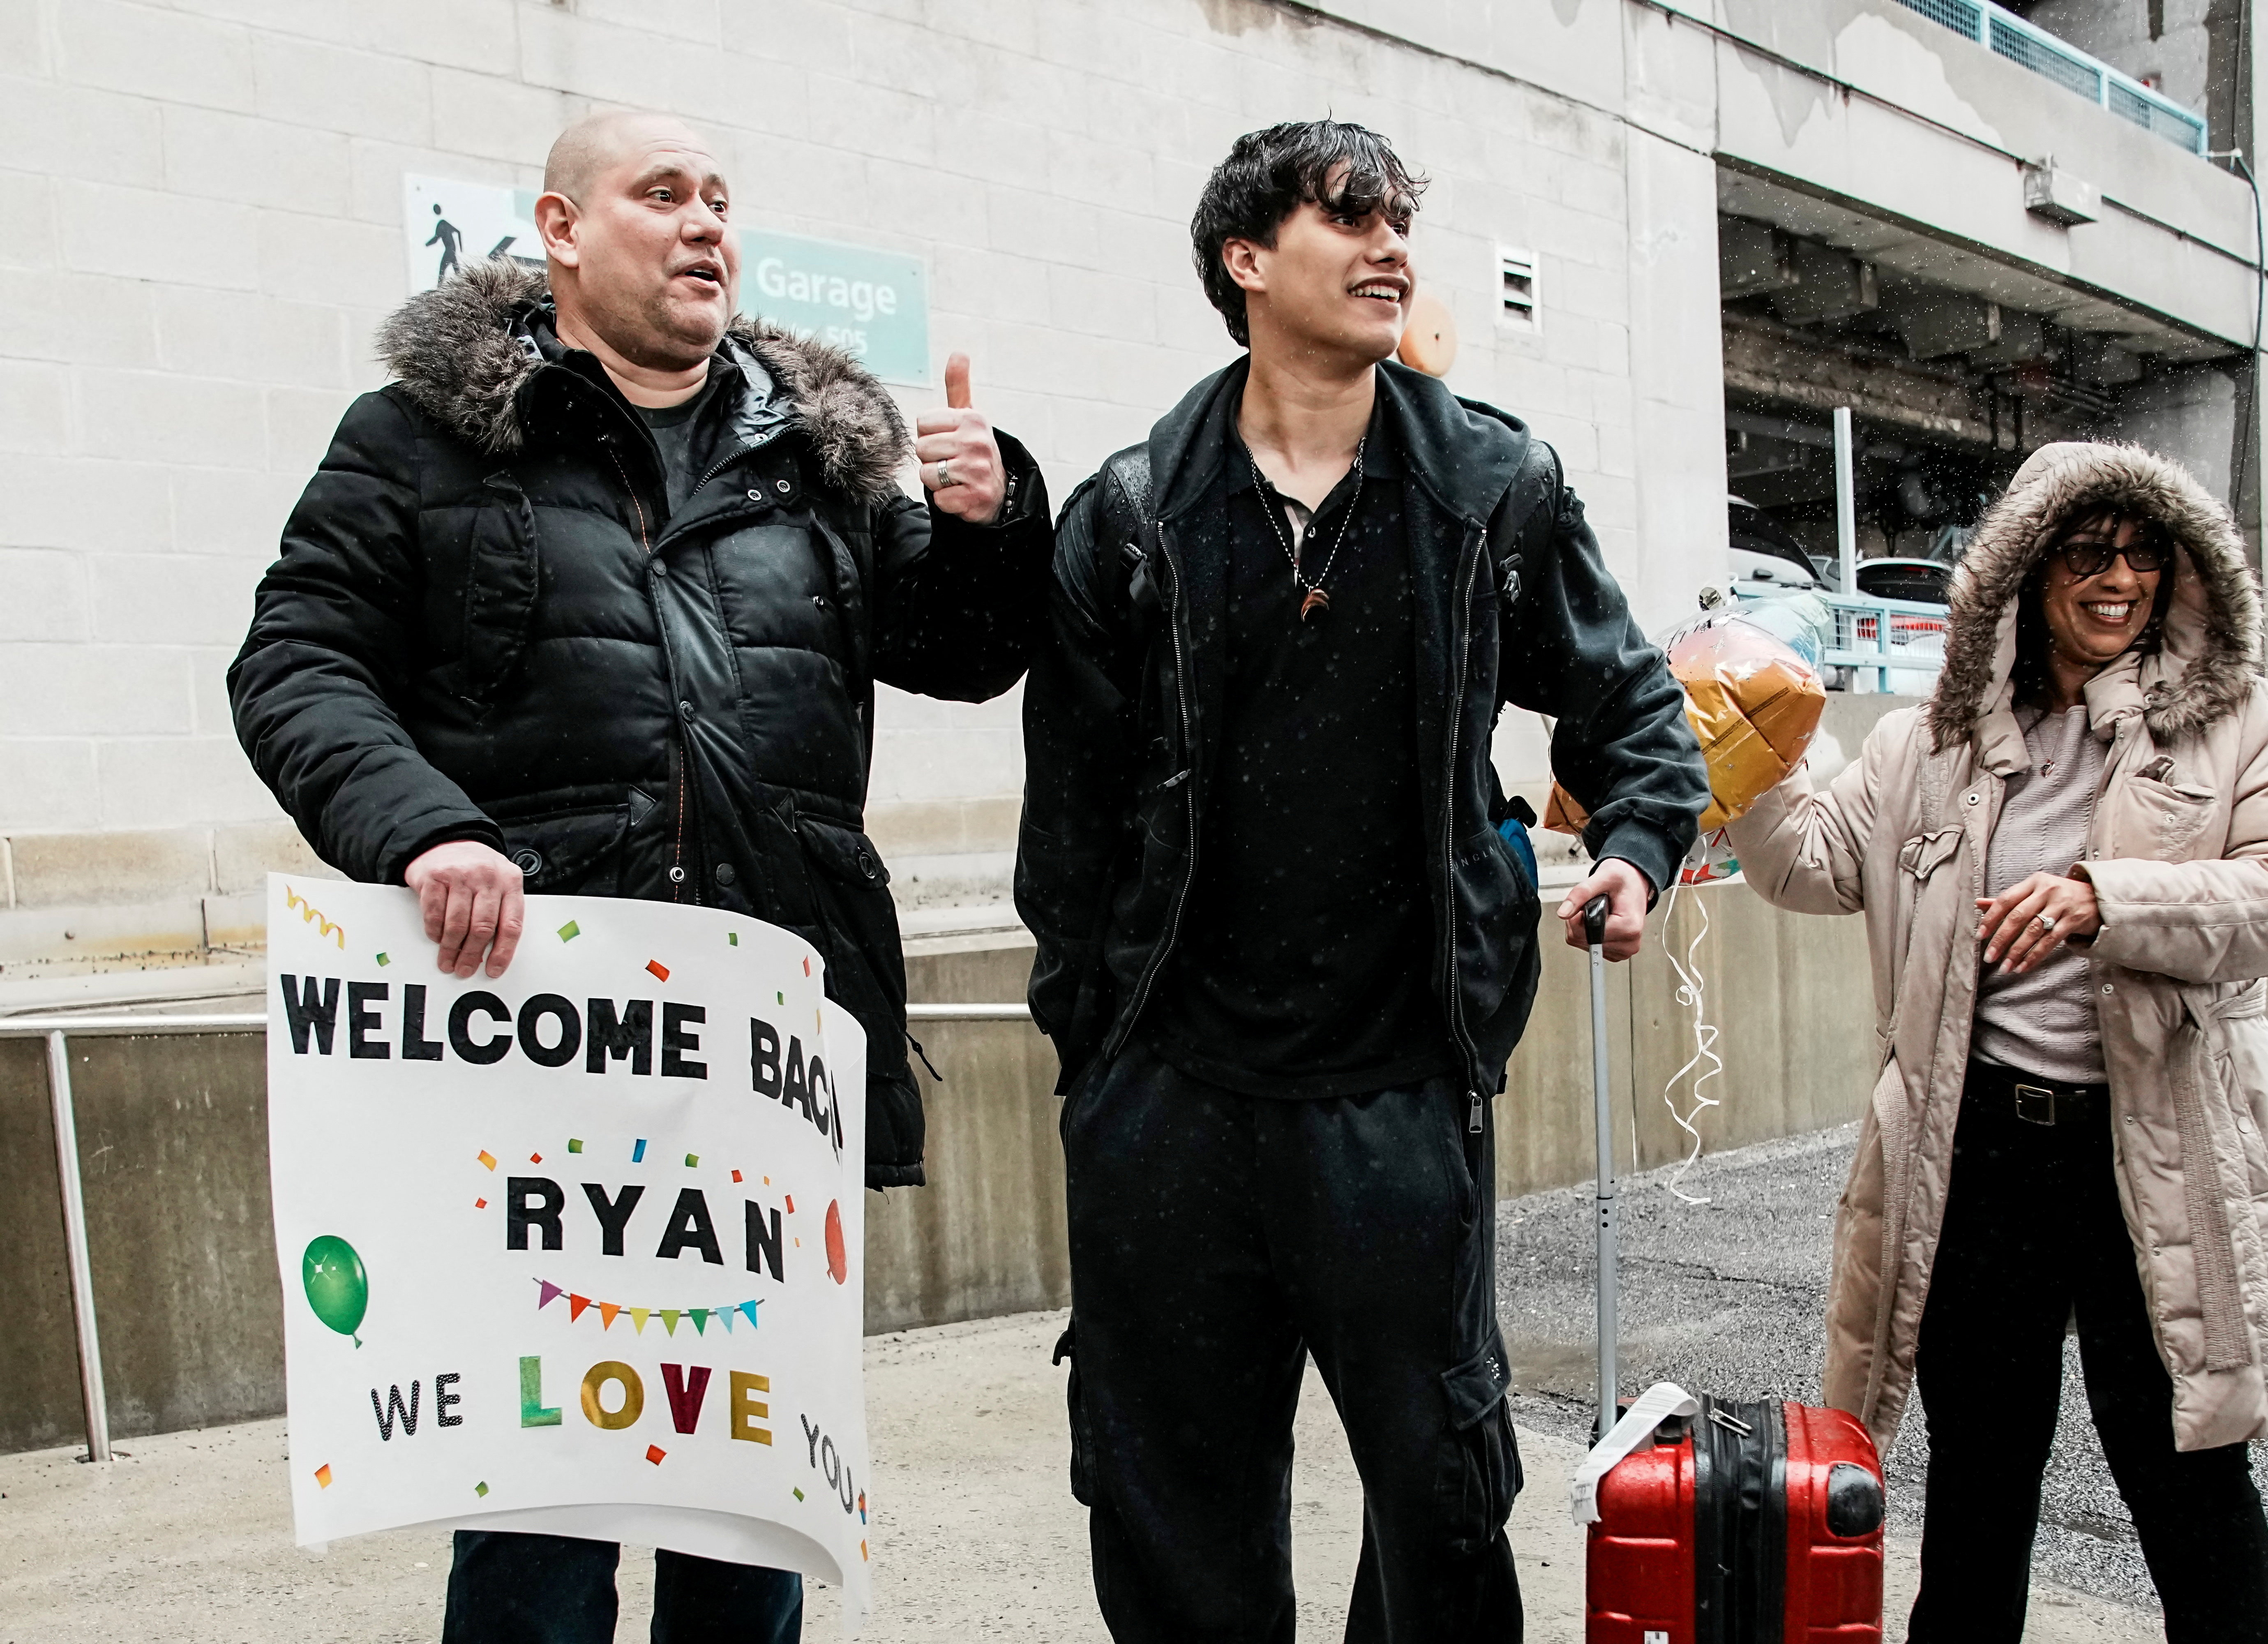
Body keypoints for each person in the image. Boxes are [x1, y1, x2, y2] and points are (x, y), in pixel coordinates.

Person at [229, 109, 1052, 1642]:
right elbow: (296, 661)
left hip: (752, 1068)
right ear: (559, 228)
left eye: (722, 200)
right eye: (660, 194)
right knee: (544, 1505)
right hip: (540, 1055)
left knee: (748, 1502)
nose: (703, 227)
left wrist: (995, 527)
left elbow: (958, 651)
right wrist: (423, 826)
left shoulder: (821, 460)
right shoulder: (417, 439)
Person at [1014, 120, 1709, 1642]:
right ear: (1245, 262)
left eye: (1403, 217)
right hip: (1173, 1100)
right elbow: (1065, 821)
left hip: (1397, 1087)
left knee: (1443, 1493)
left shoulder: (1489, 488)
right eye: (1349, 217)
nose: (1392, 245)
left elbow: (1634, 712)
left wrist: (1645, 850)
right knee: (1167, 1493)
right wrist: (1097, 1058)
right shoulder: (1132, 515)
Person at [1727, 441, 2268, 1641]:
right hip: (1981, 1161)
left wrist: (2107, 900)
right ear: (2024, 570)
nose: (2120, 581)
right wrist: (1743, 763)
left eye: (2144, 557)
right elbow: (1813, 864)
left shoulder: (2230, 727)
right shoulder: (1930, 745)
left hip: (2150, 1154)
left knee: (2188, 1479)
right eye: (2087, 554)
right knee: (1979, 1487)